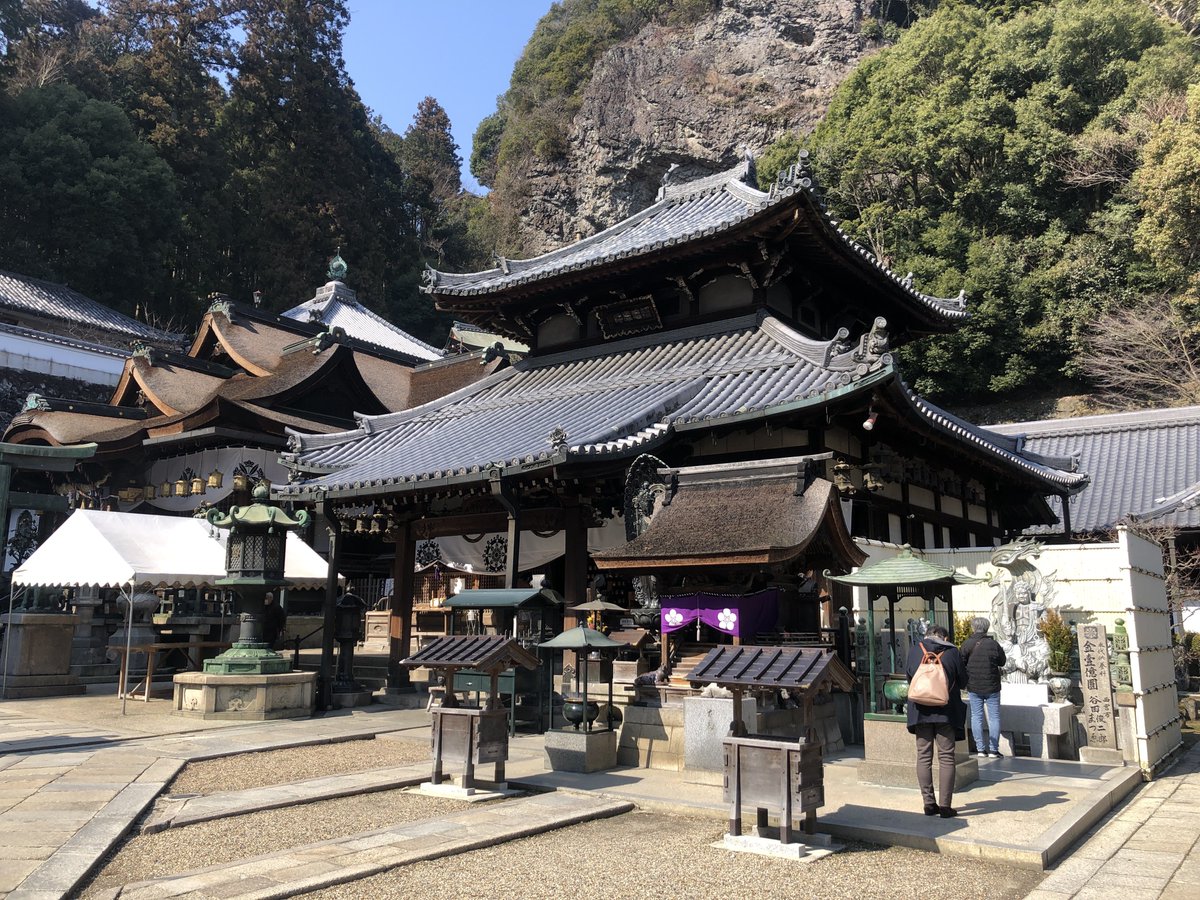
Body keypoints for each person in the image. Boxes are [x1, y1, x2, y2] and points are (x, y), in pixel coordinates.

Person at [904, 623, 968, 818]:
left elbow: (909, 677)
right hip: (946, 710)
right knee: (946, 757)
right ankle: (946, 806)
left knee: (923, 756)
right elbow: (964, 680)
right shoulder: (952, 652)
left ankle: (928, 803)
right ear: (945, 638)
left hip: (920, 710)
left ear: (927, 635)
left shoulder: (915, 650)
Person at [961, 616, 1007, 759]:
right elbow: (1002, 661)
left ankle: (980, 749)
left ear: (973, 628)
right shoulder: (993, 644)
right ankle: (994, 750)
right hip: (992, 686)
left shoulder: (967, 644)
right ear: (987, 628)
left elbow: (961, 662)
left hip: (974, 685)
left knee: (976, 716)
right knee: (994, 717)